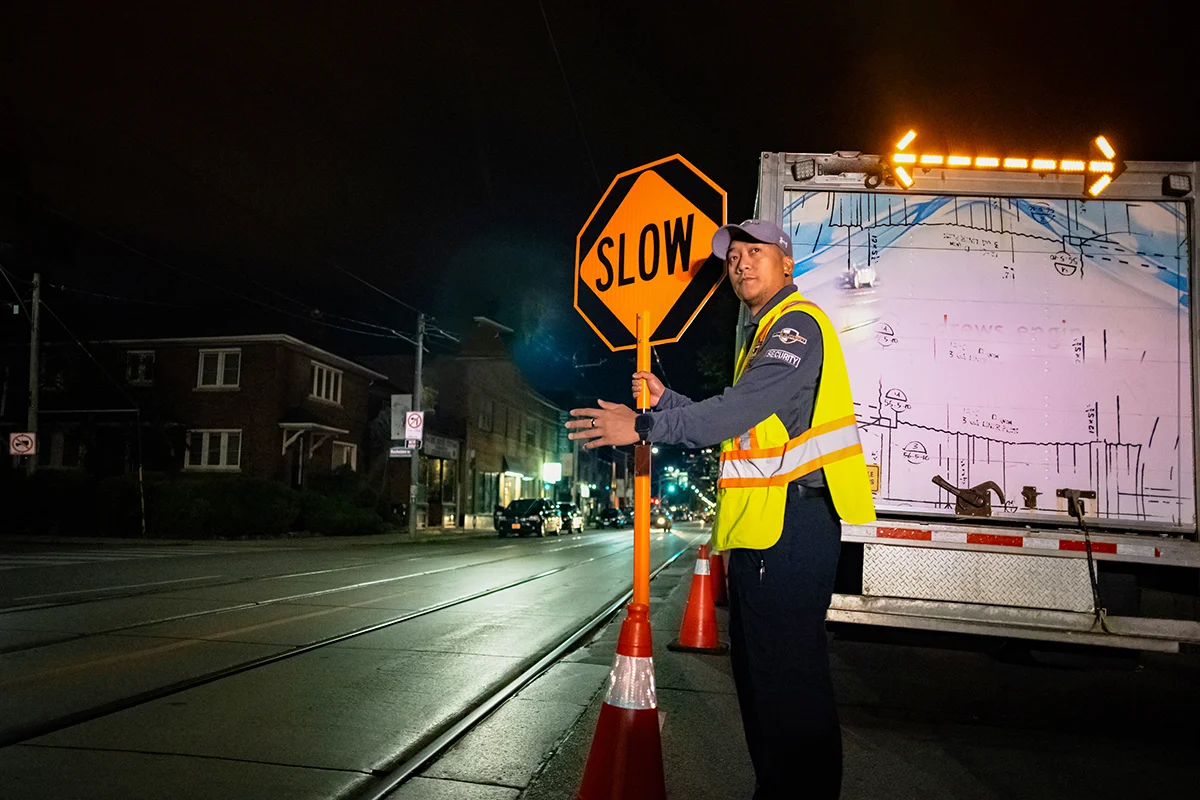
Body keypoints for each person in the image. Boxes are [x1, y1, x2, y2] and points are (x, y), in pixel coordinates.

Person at [566, 219, 875, 800]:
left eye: (755, 252)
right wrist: (672, 400)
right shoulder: (762, 338)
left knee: (789, 687)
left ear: (786, 264)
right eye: (734, 256)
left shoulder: (796, 326)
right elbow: (744, 420)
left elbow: (736, 412)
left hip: (792, 528)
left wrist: (642, 424)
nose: (740, 263)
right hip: (766, 534)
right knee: (763, 686)